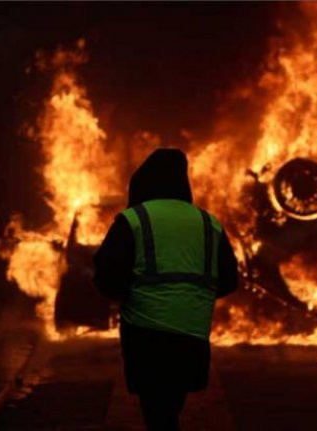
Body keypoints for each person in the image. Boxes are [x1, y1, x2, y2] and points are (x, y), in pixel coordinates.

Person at [93, 148, 238, 431]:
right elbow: (229, 280)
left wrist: (133, 295)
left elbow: (107, 278)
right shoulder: (209, 223)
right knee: (171, 404)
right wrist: (192, 297)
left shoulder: (133, 220)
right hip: (192, 331)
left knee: (157, 409)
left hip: (146, 333)